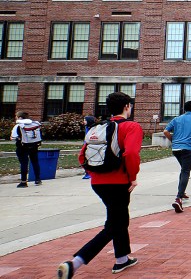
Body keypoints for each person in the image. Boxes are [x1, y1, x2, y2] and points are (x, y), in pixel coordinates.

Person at [57, 92, 143, 278]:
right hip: (119, 182)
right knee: (114, 225)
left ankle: (122, 259)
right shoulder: (131, 126)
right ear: (127, 106)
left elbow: (82, 156)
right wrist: (133, 177)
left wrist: (95, 173)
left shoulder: (98, 127)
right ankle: (75, 263)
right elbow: (131, 154)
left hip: (98, 183)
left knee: (118, 219)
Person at [163, 100, 191, 213]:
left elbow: (165, 131)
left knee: (183, 170)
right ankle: (178, 199)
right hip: (188, 149)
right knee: (185, 171)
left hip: (176, 149)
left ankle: (182, 192)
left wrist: (173, 140)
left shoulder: (176, 119)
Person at [10, 111, 42, 188]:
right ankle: (38, 179)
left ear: (20, 117)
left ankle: (23, 182)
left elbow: (13, 137)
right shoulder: (35, 124)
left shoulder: (18, 126)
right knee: (35, 162)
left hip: (22, 146)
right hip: (34, 145)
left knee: (24, 163)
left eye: (16, 117)